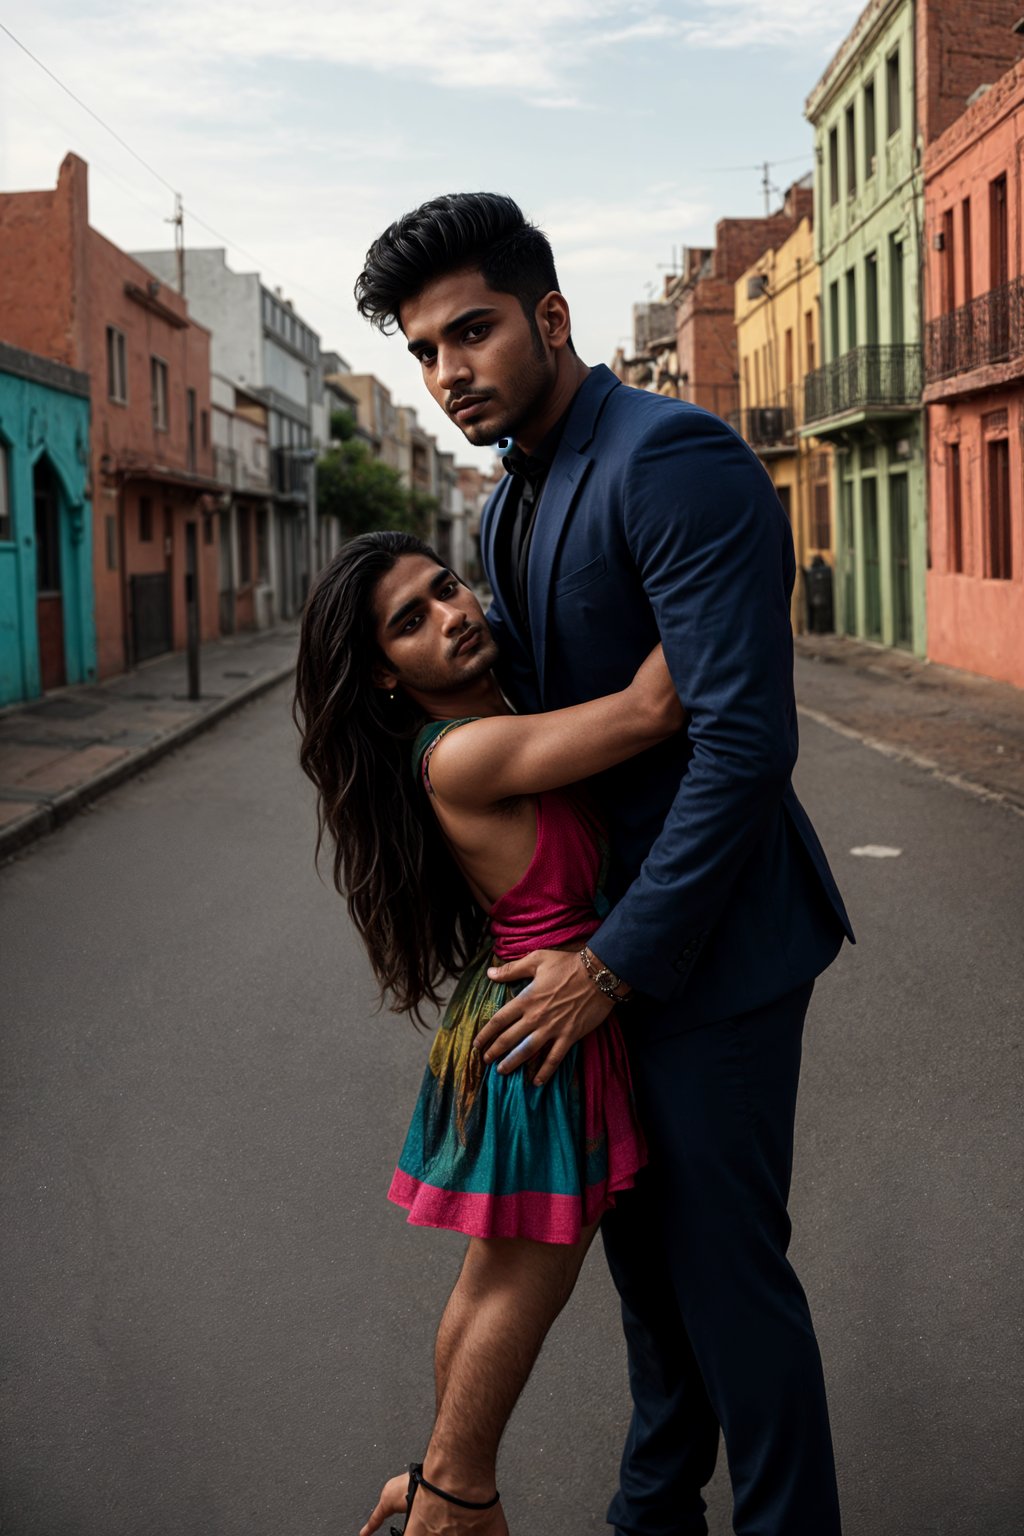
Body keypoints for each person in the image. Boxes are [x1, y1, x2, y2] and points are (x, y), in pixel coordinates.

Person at [352, 194, 855, 1536]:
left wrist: (614, 965)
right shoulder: (519, 488)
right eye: (423, 351)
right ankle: (651, 1517)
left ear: (551, 317)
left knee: (732, 1290)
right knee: (653, 1294)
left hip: (705, 950)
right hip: (596, 962)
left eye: (472, 331)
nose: (449, 370)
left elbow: (741, 744)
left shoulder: (667, 458)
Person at [293, 531, 686, 1536]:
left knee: (490, 1280)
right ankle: (459, 1500)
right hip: (544, 1025)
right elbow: (654, 708)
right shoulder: (466, 751)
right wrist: (729, 553)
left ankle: (432, 1479)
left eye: (447, 587)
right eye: (410, 621)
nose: (453, 616)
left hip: (516, 1012)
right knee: (525, 1284)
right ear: (385, 674)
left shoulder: (485, 716)